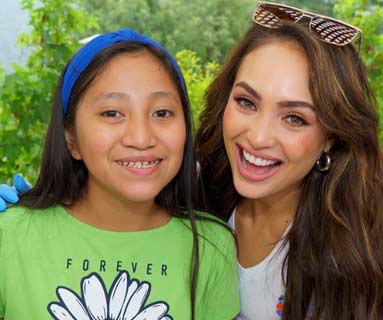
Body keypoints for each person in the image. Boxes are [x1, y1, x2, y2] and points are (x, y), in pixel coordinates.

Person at [0, 28, 239, 319]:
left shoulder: (211, 246)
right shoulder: (10, 236)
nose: (141, 138)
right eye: (112, 113)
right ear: (71, 138)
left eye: (162, 113)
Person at [194, 2, 383, 320]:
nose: (259, 137)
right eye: (246, 102)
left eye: (294, 118)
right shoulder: (192, 199)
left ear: (331, 135)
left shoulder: (355, 268)